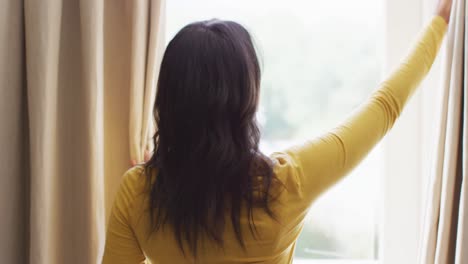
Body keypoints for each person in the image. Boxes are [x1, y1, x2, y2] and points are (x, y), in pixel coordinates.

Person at [102, 0, 453, 263]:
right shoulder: (286, 185)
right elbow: (385, 107)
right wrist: (439, 23)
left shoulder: (138, 193)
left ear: (168, 100)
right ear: (246, 99)